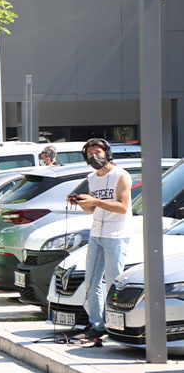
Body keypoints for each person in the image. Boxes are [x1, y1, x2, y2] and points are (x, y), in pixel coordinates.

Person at [71, 138, 132, 339]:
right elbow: (92, 209)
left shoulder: (121, 176)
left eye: (98, 152)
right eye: (90, 154)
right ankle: (96, 325)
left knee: (113, 282)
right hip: (96, 233)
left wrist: (96, 200)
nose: (94, 156)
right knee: (91, 281)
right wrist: (80, 202)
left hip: (116, 234)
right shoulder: (92, 177)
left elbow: (122, 207)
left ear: (107, 153)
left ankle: (115, 325)